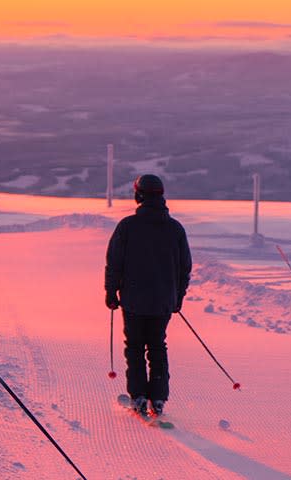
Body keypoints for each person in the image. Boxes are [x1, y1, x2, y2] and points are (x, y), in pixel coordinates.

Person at [104, 173, 192, 417]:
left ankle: (139, 396)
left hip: (133, 300)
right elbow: (185, 268)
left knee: (134, 348)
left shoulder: (127, 226)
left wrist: (111, 292)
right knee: (157, 346)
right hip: (163, 302)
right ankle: (159, 398)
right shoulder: (175, 229)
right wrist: (178, 298)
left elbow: (114, 263)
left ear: (138, 195)